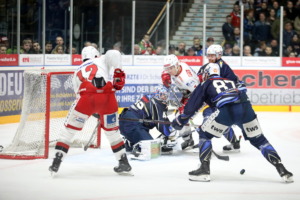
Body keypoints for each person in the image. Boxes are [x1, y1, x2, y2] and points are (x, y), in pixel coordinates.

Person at [172, 63, 293, 183]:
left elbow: (191, 108)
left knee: (205, 135)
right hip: (246, 110)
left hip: (226, 111)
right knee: (260, 140)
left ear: (206, 74)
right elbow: (242, 94)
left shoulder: (205, 83)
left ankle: (204, 170)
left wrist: (179, 121)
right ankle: (282, 170)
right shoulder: (231, 81)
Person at [49, 47, 132, 175]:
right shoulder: (101, 59)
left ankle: (57, 160)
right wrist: (118, 73)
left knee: (69, 131)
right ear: (96, 54)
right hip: (108, 96)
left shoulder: (76, 71)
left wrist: (93, 108)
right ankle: (123, 162)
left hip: (86, 97)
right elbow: (114, 53)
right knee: (113, 132)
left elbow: (79, 96)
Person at [197, 44, 242, 152]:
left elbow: (233, 83)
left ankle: (205, 142)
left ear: (219, 55)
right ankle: (234, 143)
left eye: (212, 56)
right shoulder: (208, 66)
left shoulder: (223, 67)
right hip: (216, 101)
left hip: (222, 102)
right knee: (220, 121)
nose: (210, 58)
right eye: (208, 55)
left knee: (211, 117)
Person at [119, 85, 175, 154]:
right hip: (132, 123)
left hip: (126, 121)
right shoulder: (157, 103)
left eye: (165, 95)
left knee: (145, 127)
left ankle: (131, 142)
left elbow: (161, 120)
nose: (164, 97)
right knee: (152, 147)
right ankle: (136, 145)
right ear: (157, 94)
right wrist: (170, 134)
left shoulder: (149, 97)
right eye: (162, 95)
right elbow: (161, 124)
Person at [161, 54, 199, 150]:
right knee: (179, 117)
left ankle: (188, 139)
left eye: (171, 68)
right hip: (187, 93)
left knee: (182, 118)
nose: (169, 71)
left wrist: (189, 109)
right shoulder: (177, 67)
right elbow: (168, 70)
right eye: (167, 68)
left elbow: (199, 94)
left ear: (177, 65)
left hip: (196, 95)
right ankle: (188, 140)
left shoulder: (187, 79)